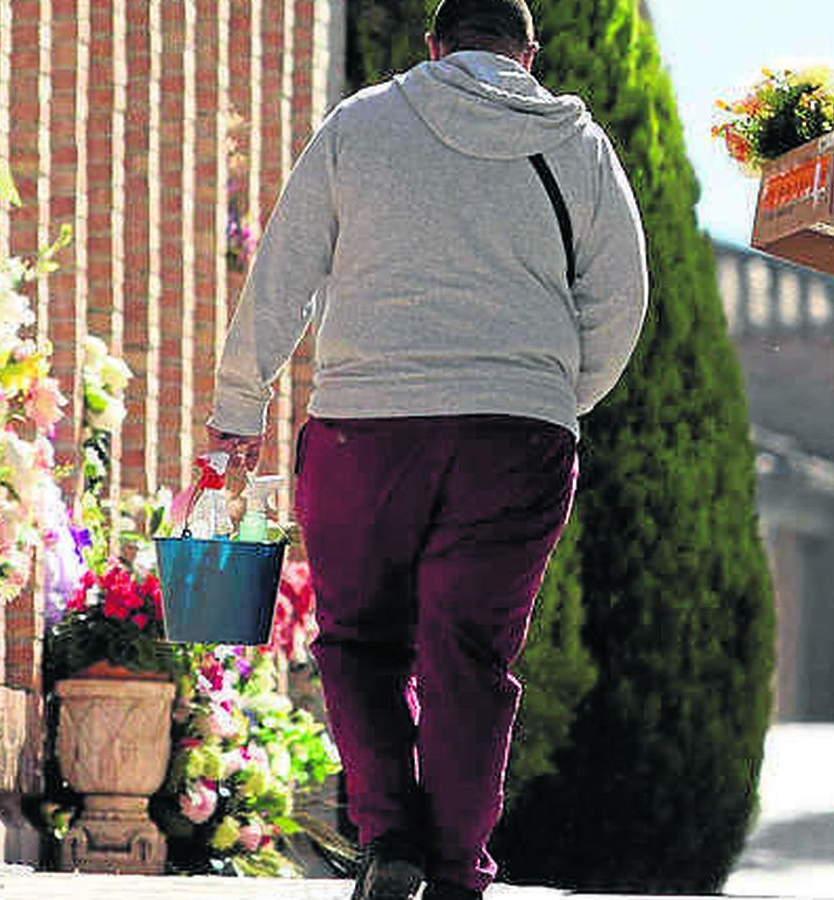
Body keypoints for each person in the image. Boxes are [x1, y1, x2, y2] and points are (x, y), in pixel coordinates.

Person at [202, 0, 649, 896]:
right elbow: (620, 299)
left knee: (361, 640)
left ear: (434, 47)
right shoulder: (580, 145)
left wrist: (237, 407)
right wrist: (556, 397)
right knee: (471, 656)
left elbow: (284, 267)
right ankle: (452, 870)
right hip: (517, 438)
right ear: (527, 53)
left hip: (365, 431)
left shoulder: (360, 125)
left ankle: (392, 841)